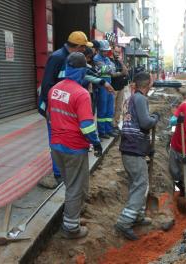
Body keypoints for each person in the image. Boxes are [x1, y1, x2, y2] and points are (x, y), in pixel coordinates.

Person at [47, 52, 103, 239]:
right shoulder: (81, 94)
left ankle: (74, 216)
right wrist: (96, 143)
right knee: (74, 187)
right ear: (81, 72)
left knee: (73, 182)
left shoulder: (54, 89)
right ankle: (71, 227)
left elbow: (49, 116)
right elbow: (87, 126)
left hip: (56, 146)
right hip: (73, 148)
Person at [38, 31, 93, 188]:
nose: (84, 51)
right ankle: (58, 174)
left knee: (65, 135)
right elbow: (47, 83)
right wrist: (49, 108)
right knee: (56, 138)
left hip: (65, 104)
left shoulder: (72, 58)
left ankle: (64, 170)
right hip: (53, 107)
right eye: (83, 48)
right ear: (76, 47)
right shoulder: (57, 58)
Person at [115, 72, 159, 241]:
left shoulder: (132, 98)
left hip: (131, 147)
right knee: (141, 184)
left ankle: (138, 216)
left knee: (137, 182)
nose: (152, 85)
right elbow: (145, 123)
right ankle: (124, 222)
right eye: (151, 83)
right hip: (133, 149)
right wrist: (155, 119)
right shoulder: (140, 99)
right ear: (147, 84)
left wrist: (147, 150)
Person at [94, 40, 118, 139]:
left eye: (106, 50)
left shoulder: (107, 59)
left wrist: (107, 69)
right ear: (99, 50)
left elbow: (113, 69)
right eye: (104, 50)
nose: (105, 52)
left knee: (109, 109)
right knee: (102, 109)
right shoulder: (96, 58)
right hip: (102, 87)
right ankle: (102, 132)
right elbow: (107, 69)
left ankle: (109, 130)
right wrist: (108, 69)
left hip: (109, 86)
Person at [110, 46, 129, 130]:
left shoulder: (119, 62)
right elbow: (112, 74)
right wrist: (121, 73)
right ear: (112, 50)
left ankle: (115, 124)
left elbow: (126, 72)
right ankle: (110, 125)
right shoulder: (109, 61)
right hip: (113, 88)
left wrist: (121, 62)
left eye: (119, 52)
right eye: (116, 52)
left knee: (119, 107)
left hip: (121, 87)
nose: (117, 54)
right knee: (112, 107)